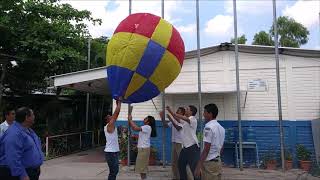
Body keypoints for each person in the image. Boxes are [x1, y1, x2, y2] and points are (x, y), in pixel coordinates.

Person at [0, 107, 44, 180]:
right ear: (27, 117)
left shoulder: (27, 129)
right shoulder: (14, 133)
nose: (34, 116)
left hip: (32, 171)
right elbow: (13, 157)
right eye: (33, 114)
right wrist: (22, 175)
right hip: (20, 174)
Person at [167, 105, 200, 180]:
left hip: (192, 147)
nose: (186, 110)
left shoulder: (192, 119)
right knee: (180, 165)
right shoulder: (185, 121)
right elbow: (178, 119)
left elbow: (178, 117)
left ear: (191, 112)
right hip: (185, 147)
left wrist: (171, 111)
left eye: (187, 109)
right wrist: (171, 115)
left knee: (193, 168)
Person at [194, 103, 225, 180]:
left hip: (209, 163)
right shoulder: (221, 128)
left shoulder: (208, 127)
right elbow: (222, 147)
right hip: (218, 161)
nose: (203, 115)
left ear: (210, 114)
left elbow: (206, 149)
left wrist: (198, 166)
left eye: (205, 112)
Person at [128, 108, 157, 180]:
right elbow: (140, 134)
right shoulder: (146, 127)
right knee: (142, 167)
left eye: (146, 118)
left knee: (142, 167)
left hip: (144, 150)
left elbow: (135, 128)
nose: (144, 118)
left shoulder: (147, 127)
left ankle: (144, 179)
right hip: (143, 149)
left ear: (148, 121)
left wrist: (130, 120)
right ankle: (144, 178)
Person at [160, 107, 185, 180]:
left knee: (181, 162)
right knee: (174, 162)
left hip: (180, 143)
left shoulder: (183, 121)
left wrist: (171, 119)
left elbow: (178, 128)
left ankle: (183, 177)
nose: (177, 112)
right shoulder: (174, 119)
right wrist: (162, 117)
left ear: (182, 113)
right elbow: (166, 125)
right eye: (177, 110)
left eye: (179, 111)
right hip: (174, 142)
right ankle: (175, 177)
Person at [104, 99, 122, 180]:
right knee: (113, 172)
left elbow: (115, 114)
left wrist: (117, 103)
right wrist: (119, 102)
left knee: (115, 171)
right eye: (109, 117)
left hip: (113, 152)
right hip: (110, 153)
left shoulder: (111, 126)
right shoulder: (109, 125)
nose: (111, 116)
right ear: (108, 120)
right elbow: (116, 113)